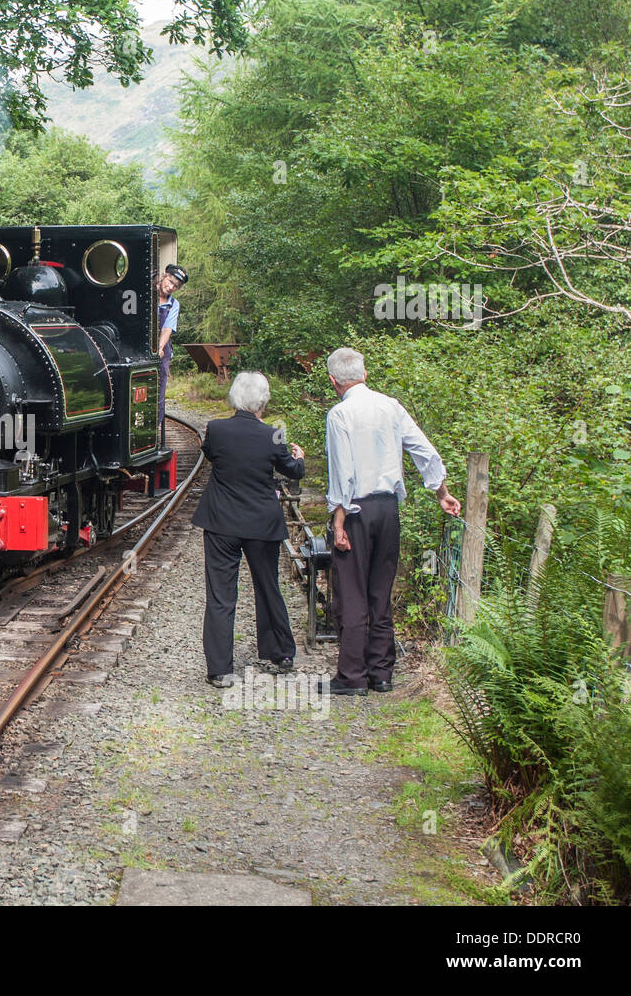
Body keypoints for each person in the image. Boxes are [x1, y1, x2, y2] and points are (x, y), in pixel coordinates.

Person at [320, 347, 462, 696]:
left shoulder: (339, 415)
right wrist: (442, 492)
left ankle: (351, 676)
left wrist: (338, 523)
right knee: (380, 591)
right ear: (365, 375)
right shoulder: (391, 406)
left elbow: (343, 474)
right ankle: (381, 674)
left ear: (333, 380)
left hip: (356, 511)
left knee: (351, 592)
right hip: (388, 510)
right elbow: (424, 450)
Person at [192, 371, 305, 687]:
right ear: (263, 401)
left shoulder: (216, 429)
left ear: (234, 398)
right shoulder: (275, 434)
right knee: (268, 586)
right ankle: (280, 653)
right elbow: (292, 469)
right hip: (261, 523)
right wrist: (300, 458)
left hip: (221, 522)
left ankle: (219, 669)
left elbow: (211, 455)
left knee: (220, 594)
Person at [155, 263, 187, 445]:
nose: (171, 287)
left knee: (159, 391)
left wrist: (159, 347)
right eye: (170, 281)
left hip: (162, 350)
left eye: (176, 286)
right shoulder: (146, 295)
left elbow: (167, 328)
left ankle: (155, 430)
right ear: (163, 276)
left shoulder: (174, 304)